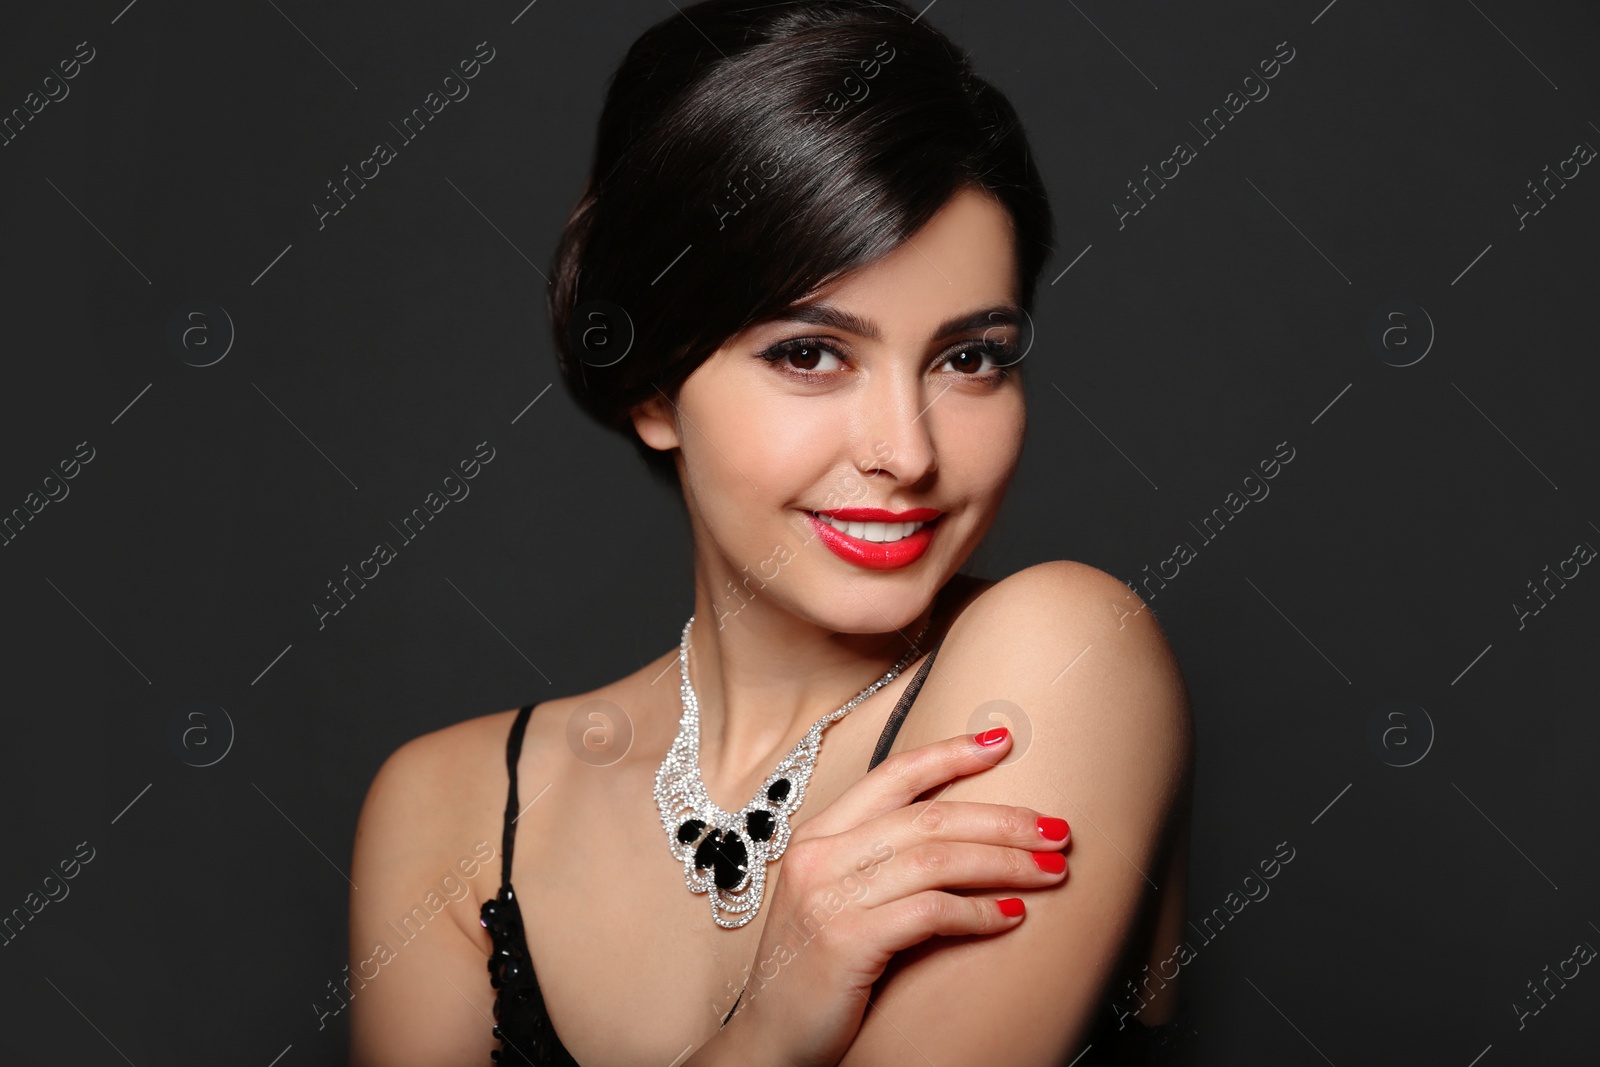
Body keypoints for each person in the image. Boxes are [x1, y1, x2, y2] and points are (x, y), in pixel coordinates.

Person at [348, 2, 1193, 1063]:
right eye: (809, 353)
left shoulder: (1064, 654)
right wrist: (769, 1031)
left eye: (968, 357)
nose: (908, 451)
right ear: (652, 385)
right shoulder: (451, 810)